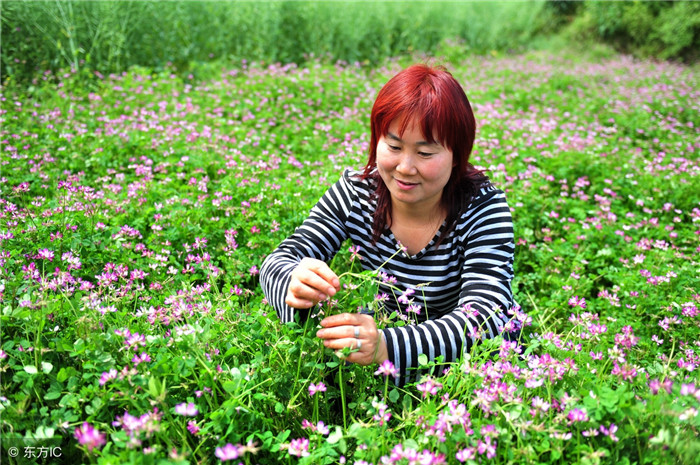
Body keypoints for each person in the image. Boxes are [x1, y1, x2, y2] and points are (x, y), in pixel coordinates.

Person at [260, 64, 519, 386]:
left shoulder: (483, 207)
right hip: (373, 372)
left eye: (425, 152)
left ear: (457, 155)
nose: (405, 167)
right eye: (394, 147)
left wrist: (386, 345)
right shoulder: (356, 194)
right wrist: (293, 281)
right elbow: (276, 262)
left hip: (467, 374)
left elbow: (486, 315)